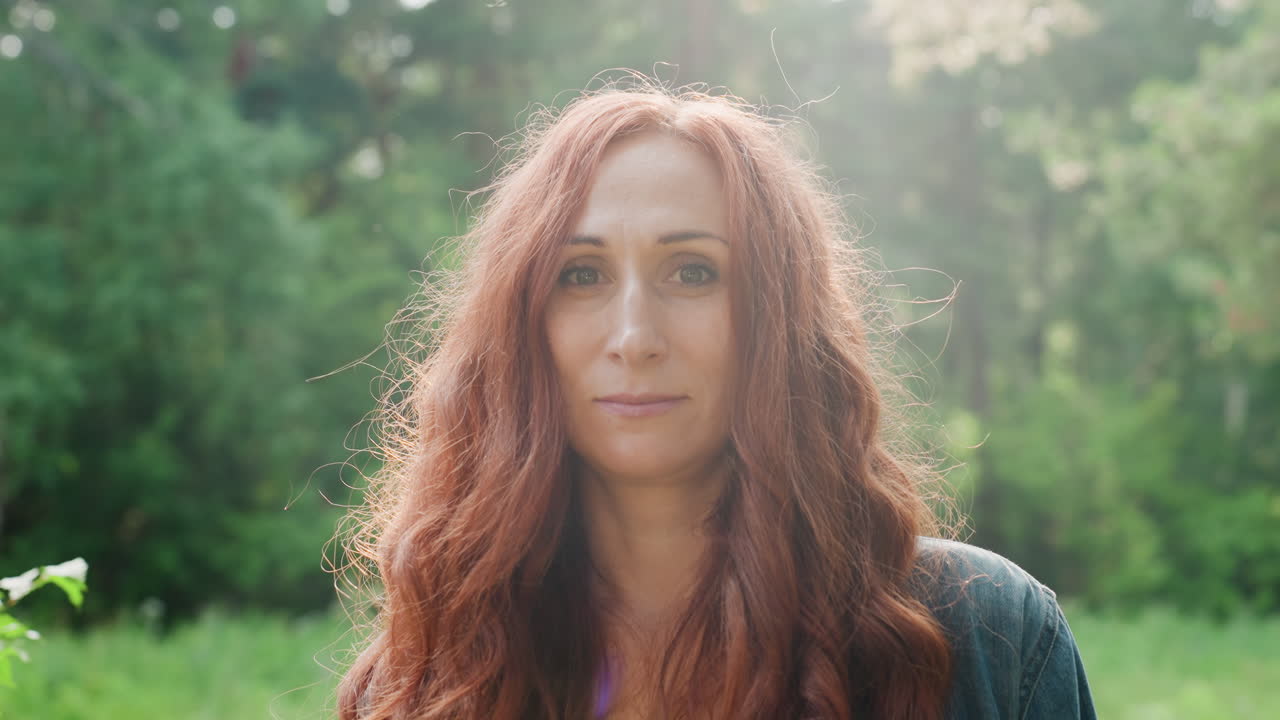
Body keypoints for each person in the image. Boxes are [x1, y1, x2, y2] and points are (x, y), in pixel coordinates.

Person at [334, 81, 1096, 720]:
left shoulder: (986, 636)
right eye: (582, 275)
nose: (634, 336)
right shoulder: (430, 674)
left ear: (778, 320)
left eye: (693, 271)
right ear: (520, 326)